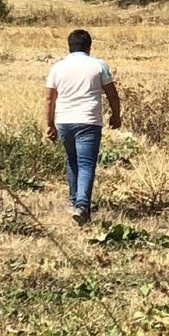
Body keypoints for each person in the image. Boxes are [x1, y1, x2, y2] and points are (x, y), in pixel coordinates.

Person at [44, 30, 121, 225]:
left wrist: (50, 124)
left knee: (72, 160)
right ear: (89, 46)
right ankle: (82, 205)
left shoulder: (57, 67)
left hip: (65, 121)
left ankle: (74, 201)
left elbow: (49, 99)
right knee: (86, 164)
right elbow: (112, 94)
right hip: (89, 121)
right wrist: (116, 115)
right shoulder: (98, 65)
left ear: (69, 46)